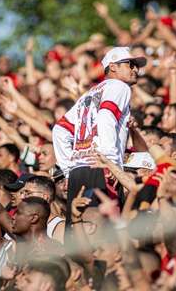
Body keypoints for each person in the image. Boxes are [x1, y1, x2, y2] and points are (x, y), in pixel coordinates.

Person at [52, 47, 146, 225]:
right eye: (130, 64)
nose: (135, 69)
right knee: (104, 237)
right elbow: (106, 116)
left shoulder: (88, 94)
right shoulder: (119, 86)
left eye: (136, 66)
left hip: (78, 171)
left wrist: (68, 169)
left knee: (79, 234)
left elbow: (60, 130)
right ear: (113, 67)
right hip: (101, 169)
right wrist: (110, 162)